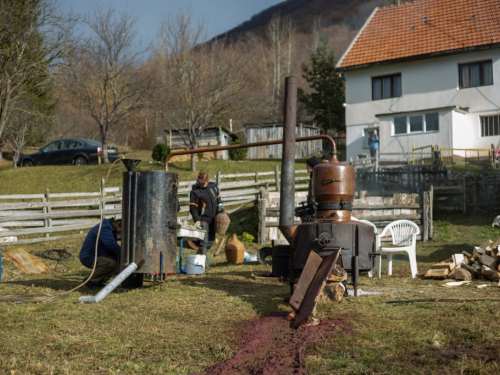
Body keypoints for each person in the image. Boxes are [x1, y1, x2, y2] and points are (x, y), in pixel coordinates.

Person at [79, 218, 121, 289]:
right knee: (111, 264)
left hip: (99, 255)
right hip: (89, 256)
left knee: (117, 260)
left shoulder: (109, 228)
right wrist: (124, 252)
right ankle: (90, 281)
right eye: (121, 230)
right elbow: (111, 245)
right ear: (117, 225)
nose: (120, 233)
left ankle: (99, 281)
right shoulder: (104, 229)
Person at [189, 171, 223, 256]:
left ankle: (199, 257)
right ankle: (201, 262)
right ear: (198, 180)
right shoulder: (195, 192)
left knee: (211, 241)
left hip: (213, 218)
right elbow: (193, 208)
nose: (203, 184)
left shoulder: (213, 187)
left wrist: (221, 208)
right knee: (204, 242)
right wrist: (197, 219)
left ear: (208, 180)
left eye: (205, 182)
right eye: (201, 182)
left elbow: (218, 198)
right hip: (203, 219)